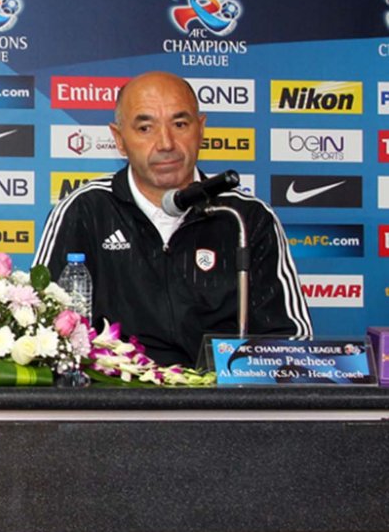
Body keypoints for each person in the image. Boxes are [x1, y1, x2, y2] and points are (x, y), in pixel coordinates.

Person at [35, 71, 311, 366]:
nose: (165, 143)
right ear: (119, 139)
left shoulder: (245, 218)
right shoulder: (85, 210)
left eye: (180, 125)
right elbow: (43, 333)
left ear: (201, 129)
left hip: (221, 393)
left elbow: (290, 340)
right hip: (115, 392)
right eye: (145, 128)